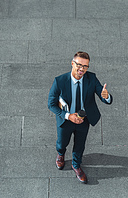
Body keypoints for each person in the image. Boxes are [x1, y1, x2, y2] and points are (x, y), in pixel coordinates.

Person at [48, 51, 112, 184]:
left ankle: (76, 165)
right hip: (66, 120)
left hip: (84, 120)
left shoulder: (92, 78)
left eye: (85, 66)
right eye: (79, 65)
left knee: (80, 145)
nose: (81, 69)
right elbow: (51, 104)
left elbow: (102, 94)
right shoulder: (59, 81)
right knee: (62, 142)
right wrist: (67, 116)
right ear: (72, 64)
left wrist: (106, 96)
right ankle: (61, 155)